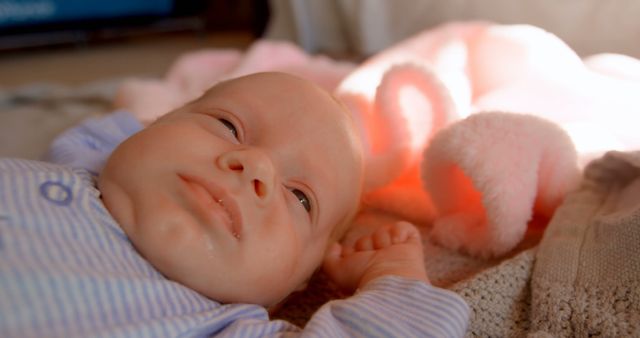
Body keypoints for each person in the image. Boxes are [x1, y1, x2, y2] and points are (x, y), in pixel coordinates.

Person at [0, 72, 469, 337]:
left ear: (296, 284)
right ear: (149, 129)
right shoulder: (88, 161)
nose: (256, 166)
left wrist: (394, 278)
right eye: (228, 125)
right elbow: (114, 135)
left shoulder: (221, 327)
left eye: (301, 197)